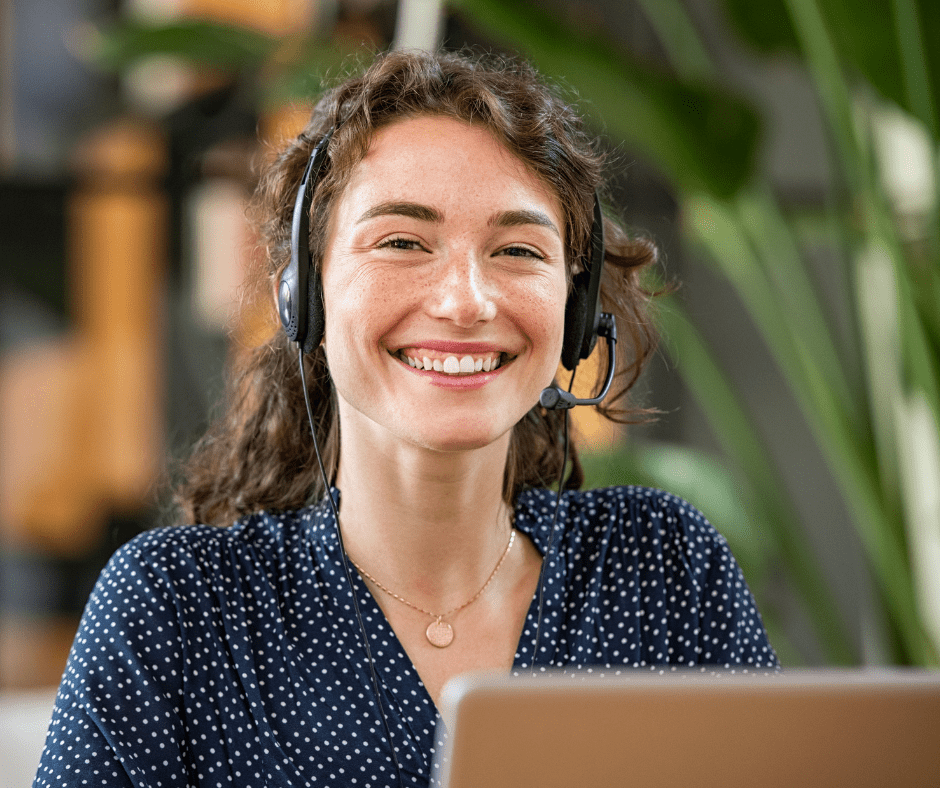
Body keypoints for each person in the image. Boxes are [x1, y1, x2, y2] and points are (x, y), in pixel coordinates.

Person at [35, 49, 777, 788]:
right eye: (401, 242)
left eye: (517, 249)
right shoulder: (179, 610)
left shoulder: (661, 571)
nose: (465, 301)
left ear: (574, 312)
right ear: (306, 297)